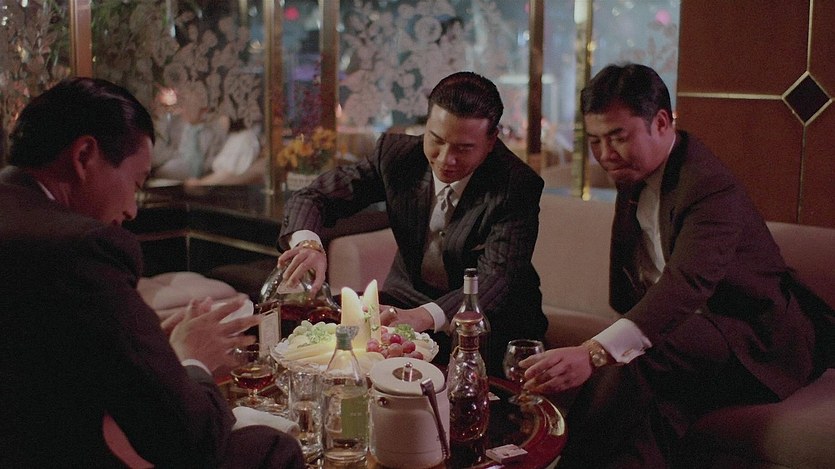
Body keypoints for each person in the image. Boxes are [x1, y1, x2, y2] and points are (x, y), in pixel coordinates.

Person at [520, 63, 834, 468]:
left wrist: (594, 352)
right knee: (656, 415)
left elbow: (687, 283)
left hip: (754, 340)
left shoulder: (707, 185)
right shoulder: (635, 173)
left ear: (662, 122)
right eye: (595, 140)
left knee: (633, 361)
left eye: (619, 137)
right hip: (690, 342)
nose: (605, 154)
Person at [0, 77, 304, 468]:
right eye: (136, 183)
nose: (132, 210)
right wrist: (192, 361)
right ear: (84, 156)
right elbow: (188, 439)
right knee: (273, 448)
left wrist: (149, 352)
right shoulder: (81, 247)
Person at [277, 71, 547, 375]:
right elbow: (313, 196)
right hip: (405, 299)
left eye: (463, 148)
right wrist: (309, 244)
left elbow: (496, 278)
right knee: (313, 326)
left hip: (489, 322)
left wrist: (423, 316)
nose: (445, 159)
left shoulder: (516, 184)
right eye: (437, 140)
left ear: (491, 140)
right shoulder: (398, 156)